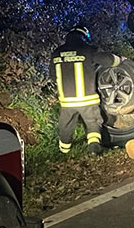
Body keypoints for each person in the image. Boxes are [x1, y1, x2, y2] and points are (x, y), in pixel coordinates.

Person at [51, 25, 121, 155]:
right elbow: (108, 60)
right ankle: (94, 147)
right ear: (84, 36)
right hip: (87, 99)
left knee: (66, 125)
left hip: (66, 101)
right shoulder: (87, 50)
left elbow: (53, 76)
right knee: (93, 122)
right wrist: (120, 60)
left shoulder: (56, 53)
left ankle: (63, 151)